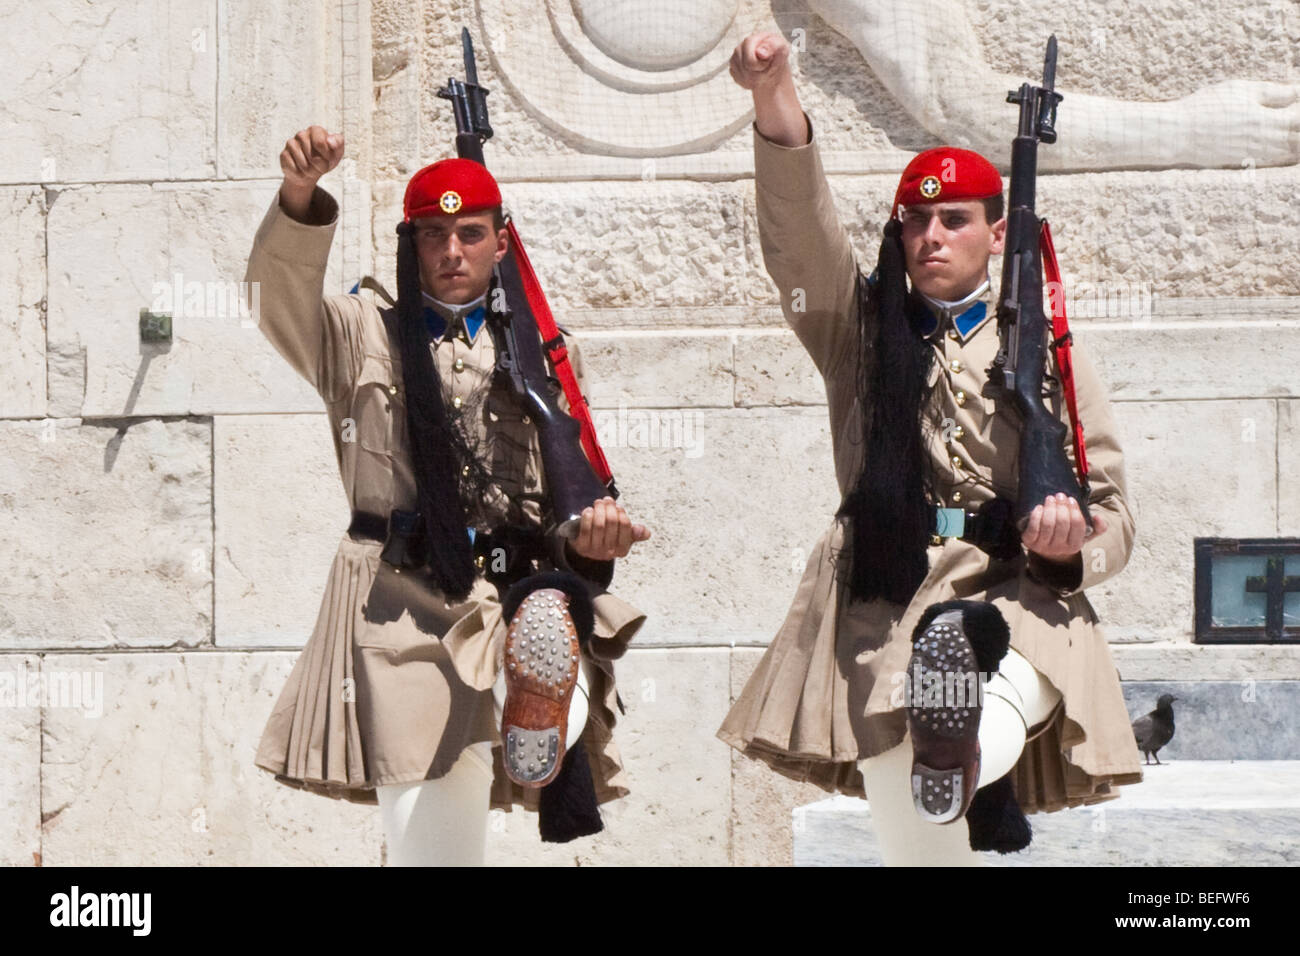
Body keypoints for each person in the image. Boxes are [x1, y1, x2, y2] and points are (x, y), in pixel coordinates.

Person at [717, 31, 1144, 865]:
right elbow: (799, 239)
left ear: (995, 234)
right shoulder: (862, 334)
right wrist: (774, 99)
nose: (931, 236)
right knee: (917, 846)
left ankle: (968, 729)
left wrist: (1070, 544)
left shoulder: (1050, 351)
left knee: (983, 697)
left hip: (1019, 594)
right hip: (888, 593)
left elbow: (1116, 515)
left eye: (955, 220)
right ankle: (959, 747)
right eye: (916, 221)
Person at [246, 126, 650, 865]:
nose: (452, 252)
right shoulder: (361, 332)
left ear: (502, 243)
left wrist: (590, 538)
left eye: (470, 233)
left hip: (517, 590)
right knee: (430, 844)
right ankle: (532, 697)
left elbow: (560, 491)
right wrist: (299, 195)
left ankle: (540, 693)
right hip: (403, 606)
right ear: (411, 244)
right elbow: (274, 298)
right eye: (433, 235)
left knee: (557, 640)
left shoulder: (544, 349)